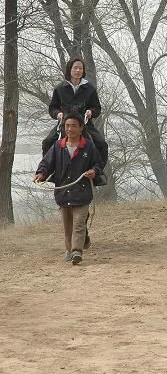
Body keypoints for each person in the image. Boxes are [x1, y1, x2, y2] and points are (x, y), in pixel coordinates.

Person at [34, 113, 103, 265]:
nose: (70, 129)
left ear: (81, 128)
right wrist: (41, 173)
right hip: (63, 193)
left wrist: (94, 171)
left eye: (73, 126)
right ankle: (70, 248)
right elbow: (47, 163)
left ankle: (76, 251)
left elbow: (98, 163)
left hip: (82, 192)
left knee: (79, 223)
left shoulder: (88, 146)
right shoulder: (58, 146)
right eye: (67, 126)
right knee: (68, 226)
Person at [42, 57, 108, 168]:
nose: (78, 71)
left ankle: (98, 172)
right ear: (70, 70)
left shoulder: (90, 88)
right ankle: (47, 170)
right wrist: (58, 114)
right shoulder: (60, 88)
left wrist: (91, 111)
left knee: (101, 143)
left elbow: (97, 107)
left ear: (83, 71)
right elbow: (53, 108)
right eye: (75, 68)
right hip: (64, 123)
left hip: (84, 124)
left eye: (80, 68)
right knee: (47, 142)